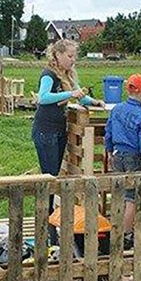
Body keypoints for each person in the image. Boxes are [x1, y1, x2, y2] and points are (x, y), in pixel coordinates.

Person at [33, 39, 104, 201]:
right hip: (45, 131)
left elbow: (79, 96)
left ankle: (49, 215)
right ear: (57, 55)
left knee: (54, 174)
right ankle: (46, 215)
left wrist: (94, 102)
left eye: (74, 56)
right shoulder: (48, 74)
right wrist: (70, 95)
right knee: (49, 176)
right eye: (70, 56)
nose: (73, 60)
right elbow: (43, 98)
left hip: (59, 129)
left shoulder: (68, 75)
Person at [104, 73, 141, 247]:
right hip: (133, 156)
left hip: (117, 153)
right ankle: (126, 234)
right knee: (132, 197)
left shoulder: (116, 109)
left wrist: (109, 151)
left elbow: (108, 131)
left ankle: (115, 228)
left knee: (119, 191)